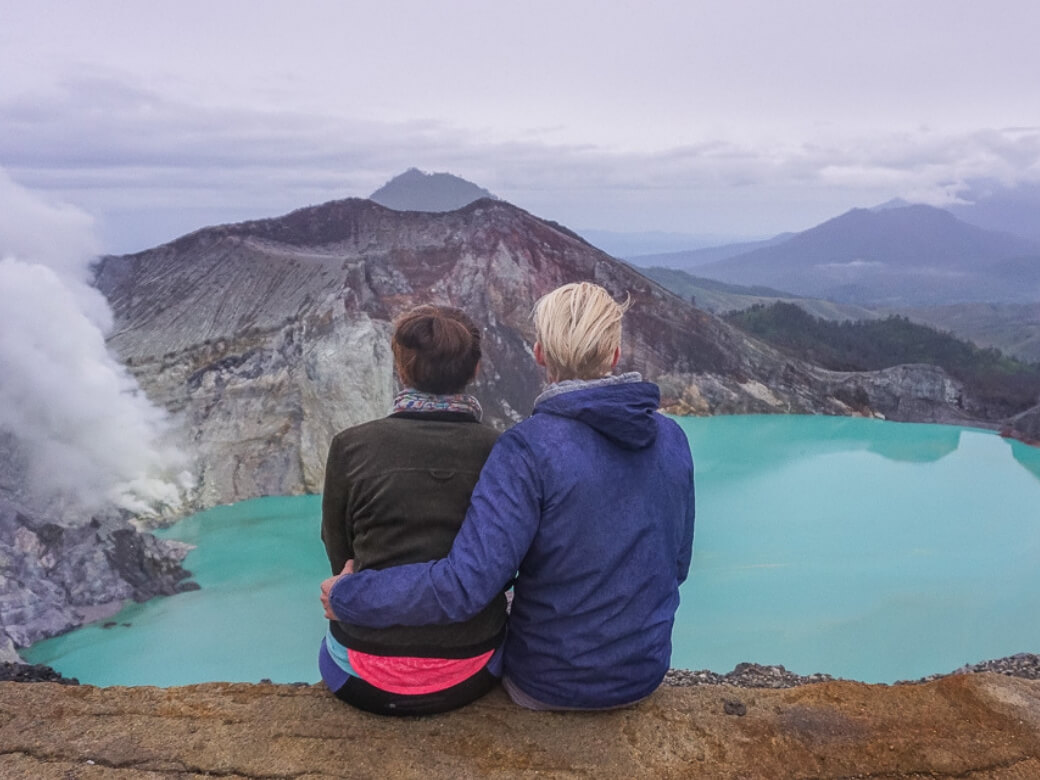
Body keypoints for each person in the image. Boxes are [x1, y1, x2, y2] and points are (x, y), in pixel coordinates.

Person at [323, 282, 695, 711]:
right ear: (614, 355)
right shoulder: (672, 438)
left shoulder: (528, 447)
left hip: (547, 683)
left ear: (538, 353)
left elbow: (465, 585)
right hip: (643, 675)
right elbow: (676, 565)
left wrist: (349, 596)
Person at [318, 304, 506, 716]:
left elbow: (340, 549)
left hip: (361, 673)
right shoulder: (502, 451)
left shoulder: (351, 446)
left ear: (401, 368)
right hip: (470, 669)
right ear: (475, 371)